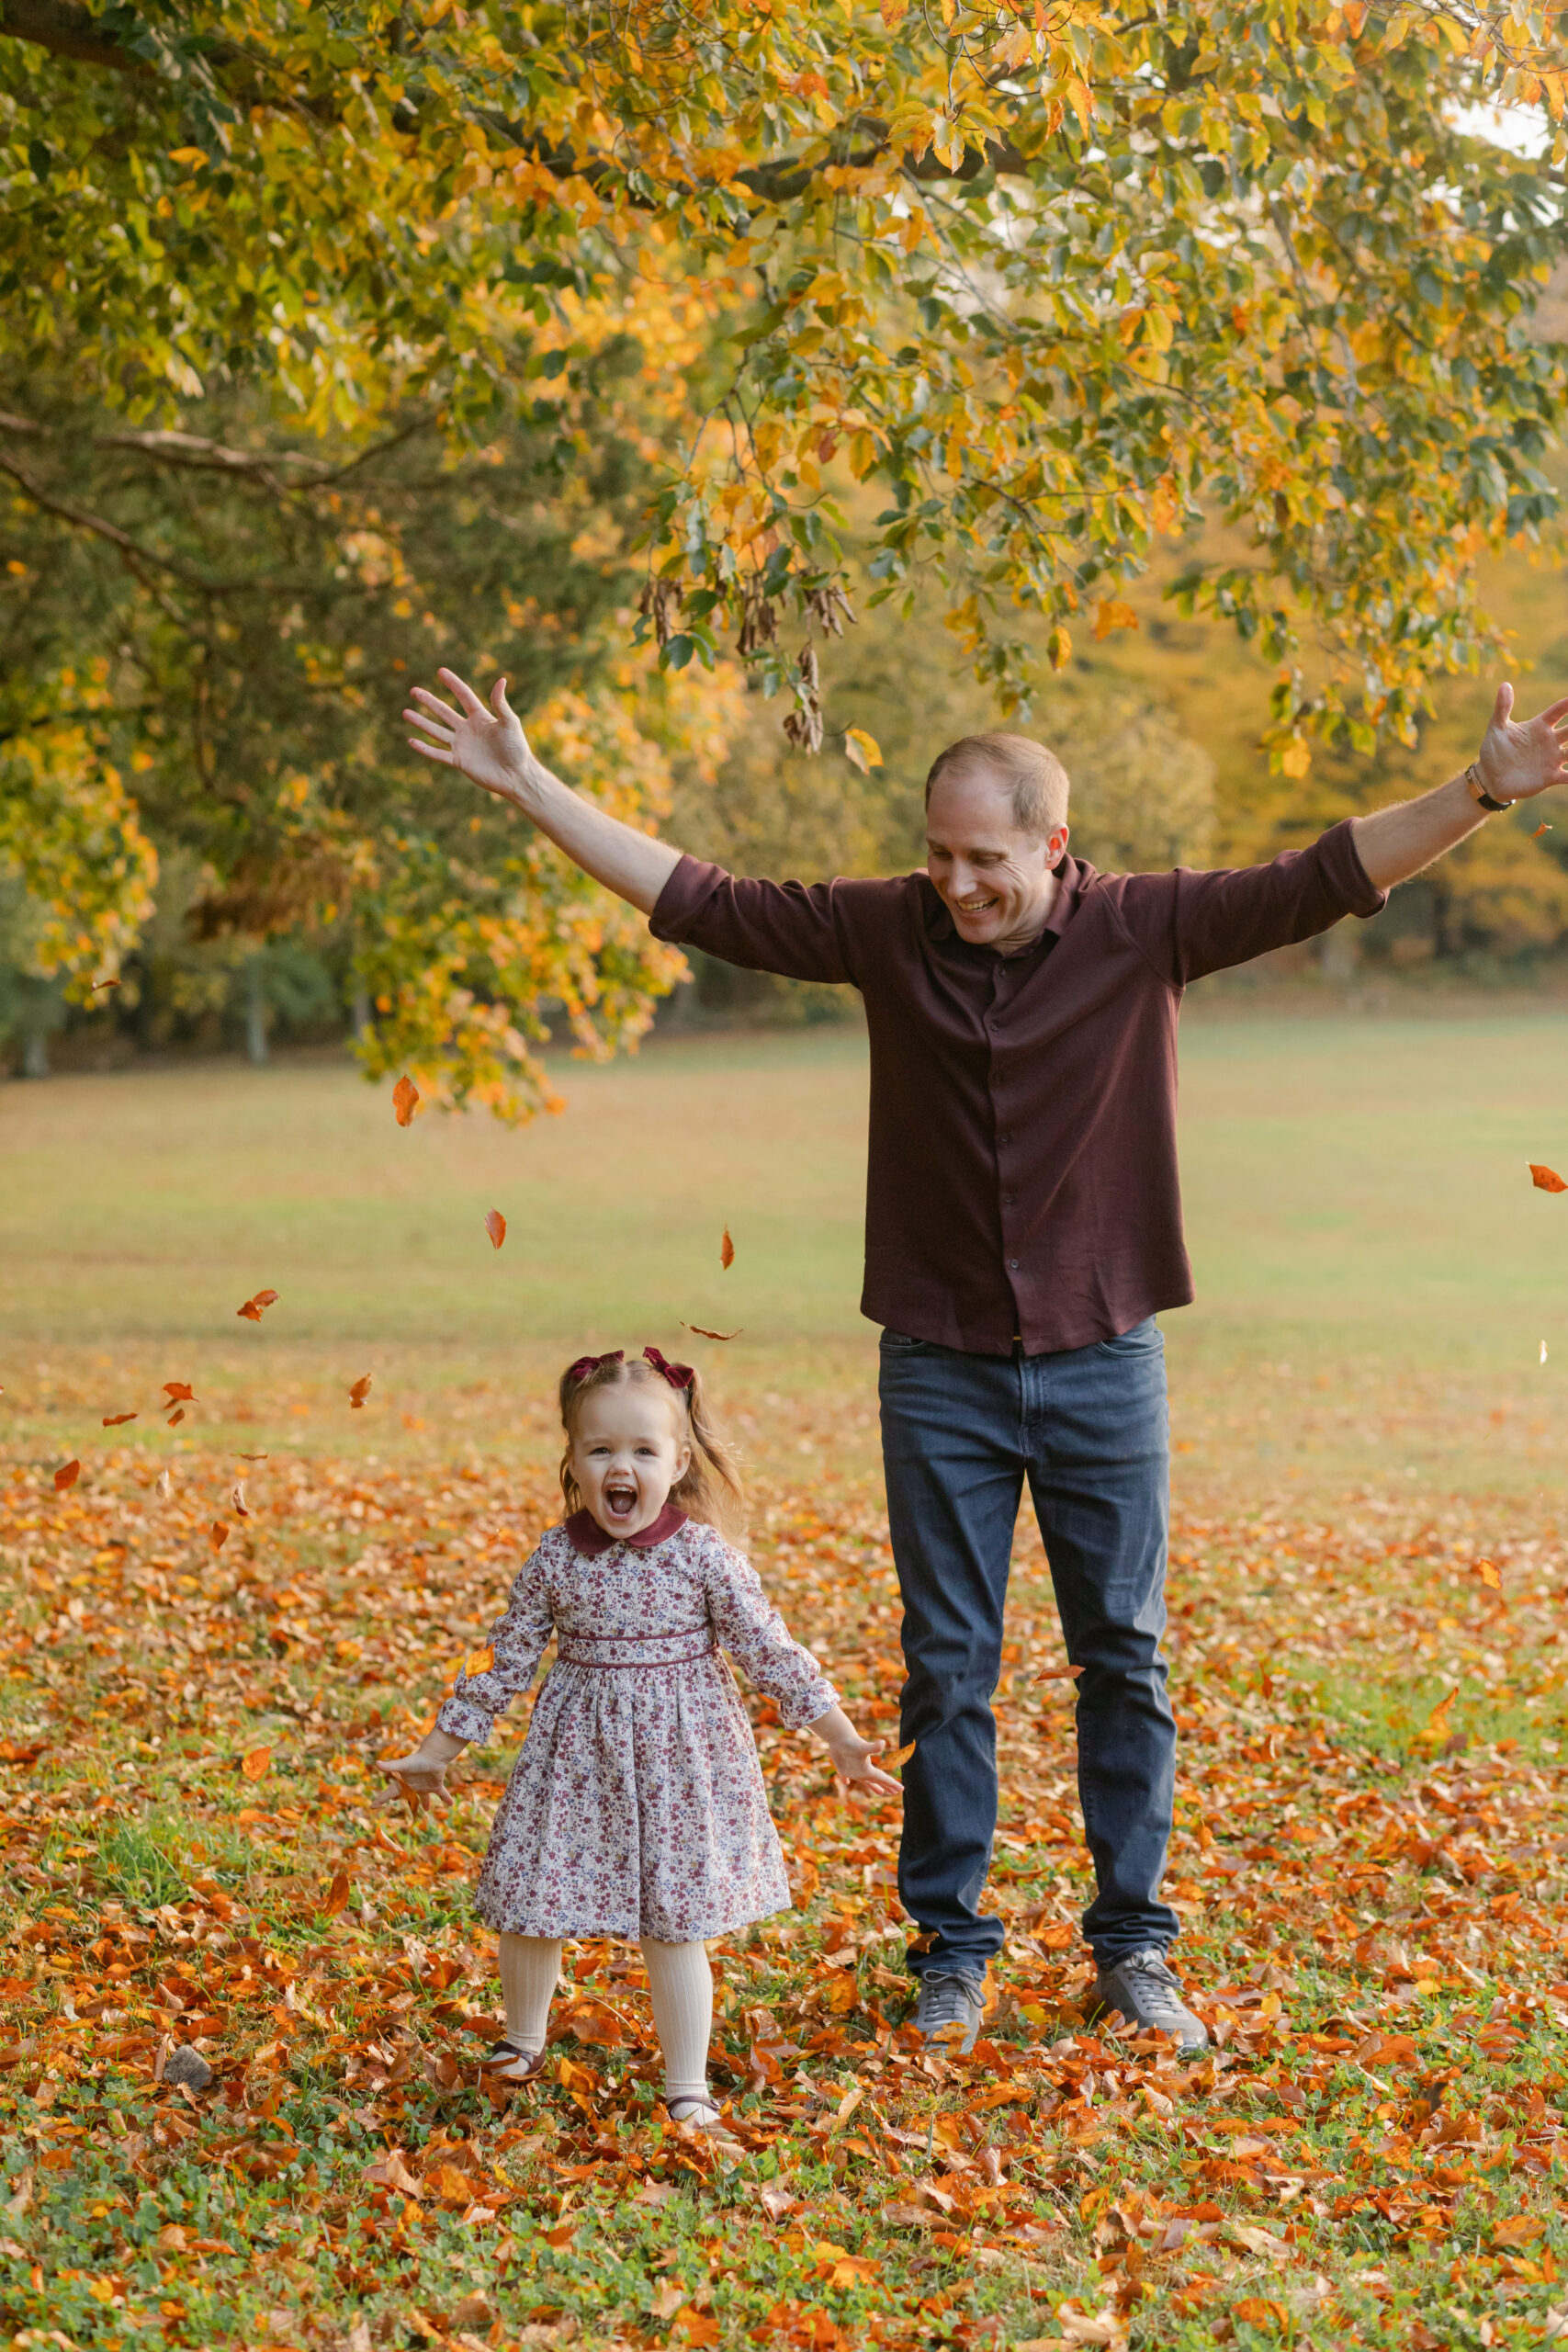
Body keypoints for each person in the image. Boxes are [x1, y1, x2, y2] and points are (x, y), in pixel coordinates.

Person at [405, 664, 1568, 2055]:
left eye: (984, 860)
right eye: (938, 856)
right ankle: (950, 1951)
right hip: (938, 1361)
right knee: (945, 1667)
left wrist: (1483, 789)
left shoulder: (1143, 929)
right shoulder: (889, 933)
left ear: (1051, 848)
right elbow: (698, 898)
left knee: (1119, 1658)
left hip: (1100, 1349)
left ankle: (1132, 1949)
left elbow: (1320, 875)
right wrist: (531, 787)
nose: (956, 884)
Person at [377, 1344, 898, 2129]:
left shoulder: (702, 1557)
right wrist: (438, 1750)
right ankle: (521, 2041)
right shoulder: (556, 1557)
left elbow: (771, 1652)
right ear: (574, 1461)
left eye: (643, 1450)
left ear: (678, 1459)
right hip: (573, 1755)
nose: (622, 1467)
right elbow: (504, 1662)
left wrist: (840, 1739)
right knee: (529, 1899)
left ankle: (686, 2084)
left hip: (680, 1761)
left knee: (674, 1921)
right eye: (601, 1450)